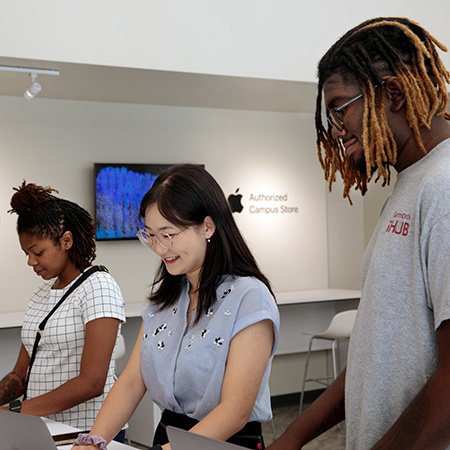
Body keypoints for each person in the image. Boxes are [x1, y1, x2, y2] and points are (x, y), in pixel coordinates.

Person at [267, 17, 450, 450]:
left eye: (340, 108)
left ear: (393, 93)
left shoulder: (443, 185)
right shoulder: (413, 182)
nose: (334, 129)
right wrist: (292, 438)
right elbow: (374, 357)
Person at [72, 163, 280, 450]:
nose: (159, 248)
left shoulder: (248, 296)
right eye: (151, 235)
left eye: (168, 235)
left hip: (223, 442)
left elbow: (235, 411)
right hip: (169, 438)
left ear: (207, 226)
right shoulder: (167, 295)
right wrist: (94, 442)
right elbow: (132, 383)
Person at [0, 182, 126, 433]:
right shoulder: (40, 294)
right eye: (26, 253)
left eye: (37, 252)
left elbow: (92, 383)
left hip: (88, 433)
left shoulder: (99, 286)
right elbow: (20, 375)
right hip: (44, 428)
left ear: (66, 240)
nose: (30, 261)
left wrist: (15, 411)